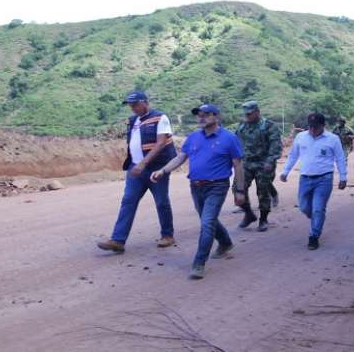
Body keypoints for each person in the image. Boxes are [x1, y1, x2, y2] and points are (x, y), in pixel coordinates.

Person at [151, 104, 245, 280]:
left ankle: (199, 263)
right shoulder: (193, 137)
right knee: (207, 219)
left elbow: (238, 165)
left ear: (216, 117)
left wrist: (240, 191)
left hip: (217, 186)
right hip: (196, 186)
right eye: (199, 115)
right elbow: (181, 157)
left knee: (207, 222)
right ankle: (225, 242)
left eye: (206, 115)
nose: (201, 118)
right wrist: (163, 170)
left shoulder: (229, 138)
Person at [97, 92, 178, 253]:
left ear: (145, 102)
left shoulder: (160, 118)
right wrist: (136, 164)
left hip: (157, 168)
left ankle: (168, 235)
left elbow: (161, 143)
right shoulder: (133, 121)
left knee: (161, 201)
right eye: (130, 105)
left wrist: (143, 163)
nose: (132, 107)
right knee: (128, 201)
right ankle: (118, 240)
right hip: (136, 169)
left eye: (135, 104)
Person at [280, 113, 347, 250]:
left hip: (324, 178)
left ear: (323, 126)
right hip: (305, 178)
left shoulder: (333, 139)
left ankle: (314, 236)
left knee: (318, 208)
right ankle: (317, 217)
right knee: (304, 207)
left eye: (315, 127)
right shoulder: (301, 137)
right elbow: (293, 155)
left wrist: (343, 177)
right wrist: (285, 171)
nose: (312, 130)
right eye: (310, 127)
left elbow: (340, 158)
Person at [234, 101, 282, 231]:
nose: (247, 116)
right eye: (246, 114)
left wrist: (270, 160)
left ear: (257, 112)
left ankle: (263, 219)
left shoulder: (269, 126)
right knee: (238, 189)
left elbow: (276, 145)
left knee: (263, 192)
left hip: (263, 163)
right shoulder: (242, 126)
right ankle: (249, 214)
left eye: (250, 114)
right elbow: (235, 142)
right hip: (246, 163)